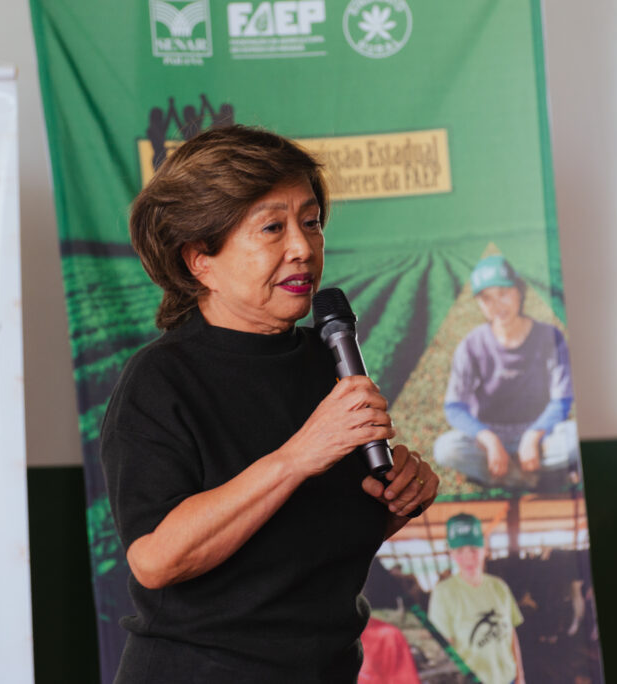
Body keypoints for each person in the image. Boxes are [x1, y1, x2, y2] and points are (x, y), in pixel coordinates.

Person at [100, 124, 440, 683]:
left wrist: (393, 502)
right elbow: (157, 559)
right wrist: (298, 456)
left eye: (311, 222)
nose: (303, 248)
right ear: (199, 260)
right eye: (272, 228)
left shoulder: (327, 359)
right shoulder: (161, 380)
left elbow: (294, 549)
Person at [433, 255, 578, 491]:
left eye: (503, 293)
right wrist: (488, 439)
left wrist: (533, 435)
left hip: (539, 432)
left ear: (519, 291)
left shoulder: (549, 338)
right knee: (446, 448)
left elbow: (561, 399)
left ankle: (505, 475)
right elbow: (454, 406)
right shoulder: (472, 344)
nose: (497, 305)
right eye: (487, 299)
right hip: (491, 433)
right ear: (480, 304)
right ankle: (529, 478)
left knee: (572, 437)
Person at [428, 514, 525, 684]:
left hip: (508, 678)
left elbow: (511, 634)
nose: (468, 557)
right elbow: (443, 651)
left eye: (473, 549)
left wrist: (520, 676)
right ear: (451, 553)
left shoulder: (499, 587)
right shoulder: (443, 593)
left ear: (484, 549)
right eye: (459, 551)